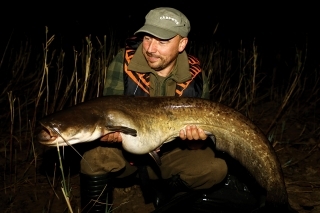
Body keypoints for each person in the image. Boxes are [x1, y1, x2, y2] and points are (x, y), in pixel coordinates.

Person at [80, 7, 228, 212]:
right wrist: (110, 134)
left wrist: (195, 140)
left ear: (182, 44)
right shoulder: (123, 62)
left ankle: (168, 192)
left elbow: (199, 142)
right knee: (93, 158)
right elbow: (107, 110)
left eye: (163, 41)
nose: (150, 48)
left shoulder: (196, 76)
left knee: (214, 169)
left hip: (169, 153)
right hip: (126, 155)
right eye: (148, 38)